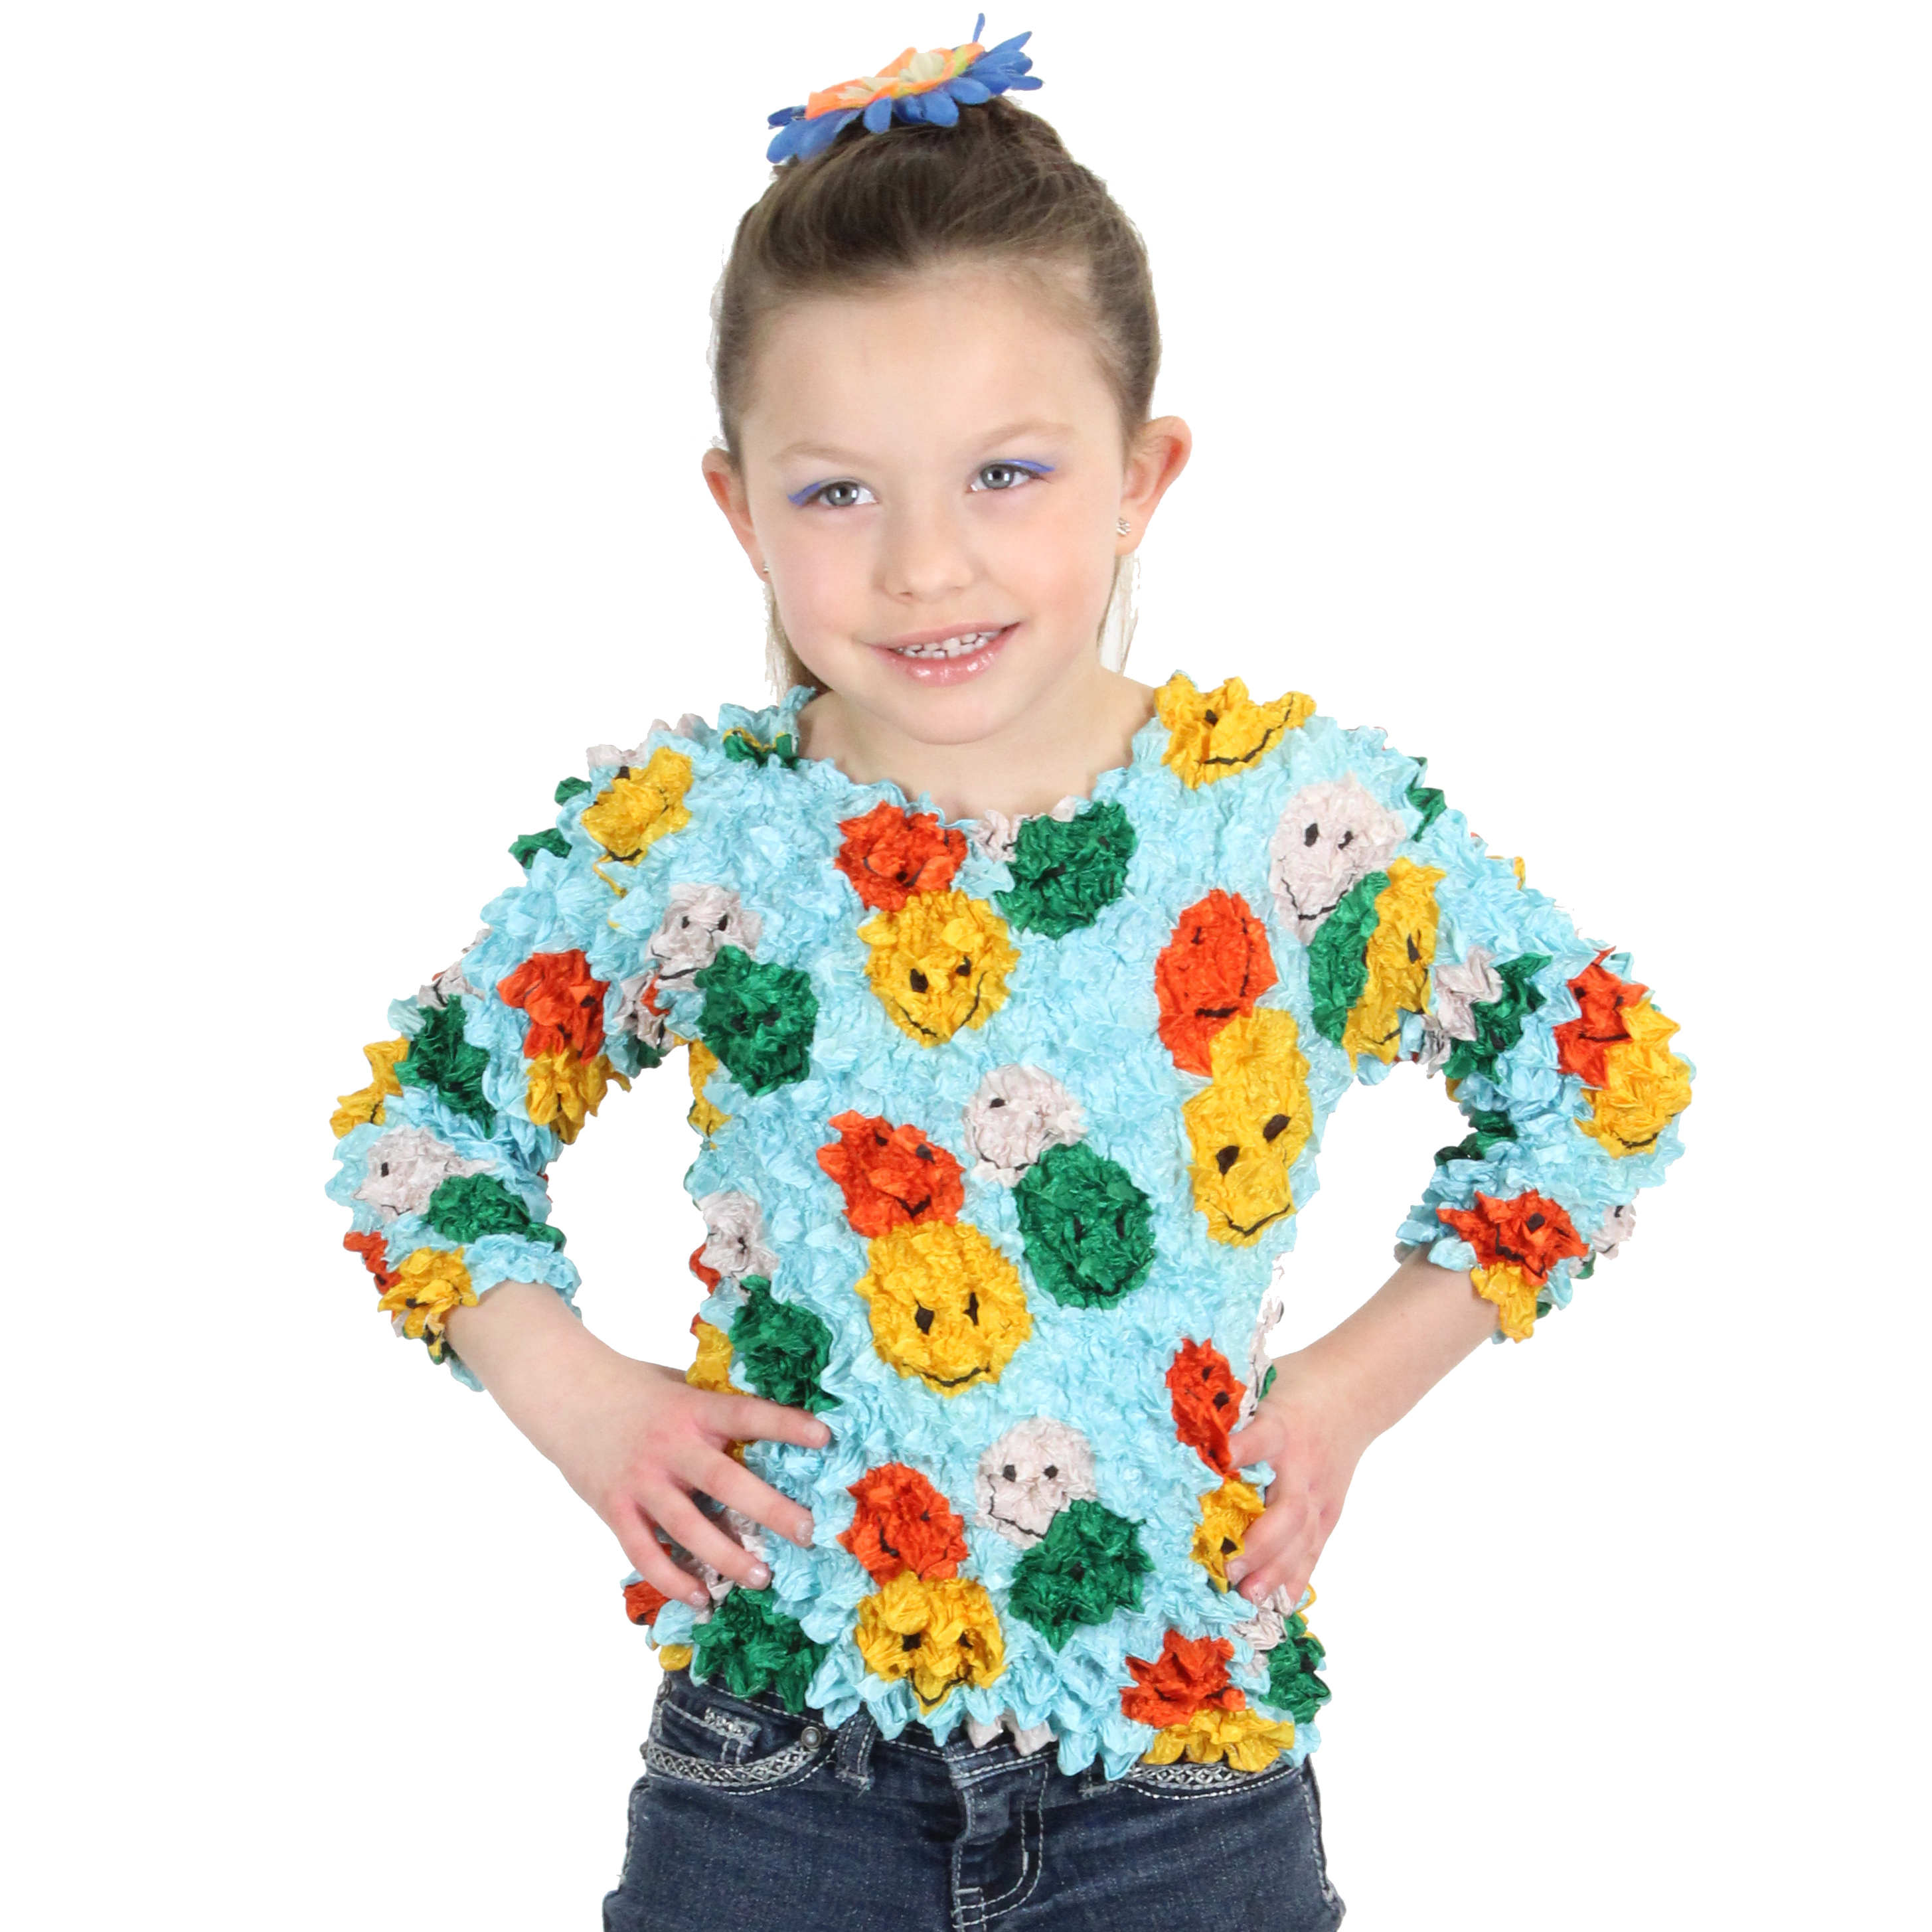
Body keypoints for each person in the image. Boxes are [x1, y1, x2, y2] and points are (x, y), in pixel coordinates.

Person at [326, 24, 1692, 1930]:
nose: (925, 566)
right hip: (777, 1771)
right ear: (737, 507)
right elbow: (424, 1125)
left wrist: (1343, 1397)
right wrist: (570, 1392)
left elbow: (1603, 1078)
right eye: (838, 494)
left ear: (1142, 475)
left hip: (1183, 1779)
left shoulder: (1293, 826)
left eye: (1006, 474)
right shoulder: (695, 839)